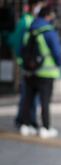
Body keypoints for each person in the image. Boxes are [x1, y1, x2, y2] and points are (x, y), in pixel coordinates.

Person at [20, 6, 61, 138]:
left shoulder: (29, 30)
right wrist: (59, 62)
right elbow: (57, 53)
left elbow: (21, 50)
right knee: (45, 101)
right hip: (46, 73)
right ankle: (45, 128)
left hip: (29, 71)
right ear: (48, 16)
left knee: (28, 99)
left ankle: (26, 126)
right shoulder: (49, 31)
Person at [8, 0, 45, 129]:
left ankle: (25, 118)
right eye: (38, 5)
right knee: (28, 93)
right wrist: (23, 60)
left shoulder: (33, 21)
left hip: (34, 63)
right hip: (27, 63)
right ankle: (25, 119)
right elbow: (17, 42)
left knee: (30, 93)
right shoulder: (26, 21)